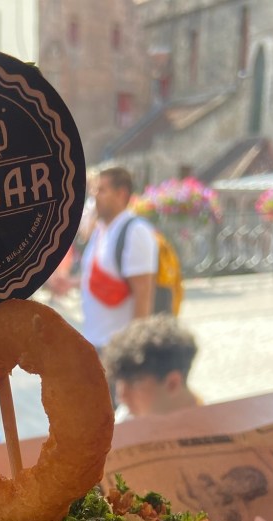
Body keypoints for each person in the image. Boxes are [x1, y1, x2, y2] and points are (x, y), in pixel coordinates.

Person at [79, 166, 158, 353]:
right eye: (93, 190)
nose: (94, 196)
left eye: (101, 190)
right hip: (94, 343)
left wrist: (134, 350)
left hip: (118, 349)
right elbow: (101, 274)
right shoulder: (101, 229)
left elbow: (143, 295)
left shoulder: (136, 231)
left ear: (121, 194)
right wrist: (69, 283)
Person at [102, 313, 200, 420]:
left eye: (135, 383)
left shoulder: (211, 425)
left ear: (172, 384)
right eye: (119, 382)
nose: (121, 397)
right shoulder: (124, 419)